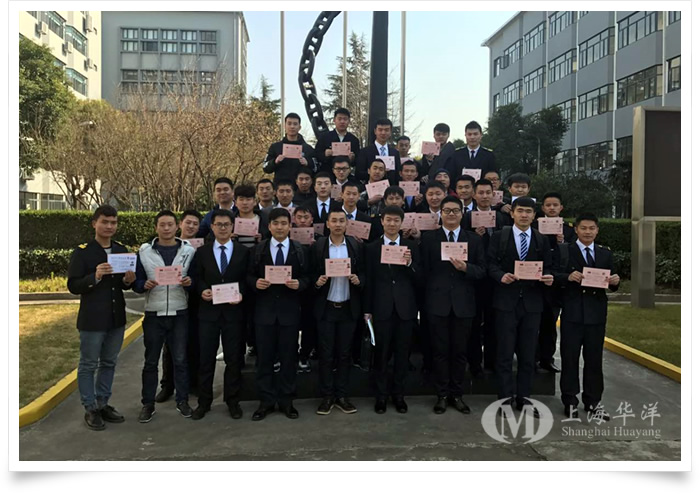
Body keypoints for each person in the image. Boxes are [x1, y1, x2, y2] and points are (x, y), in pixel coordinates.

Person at [67, 205, 135, 431]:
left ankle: (103, 402)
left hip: (116, 317)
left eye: (113, 222)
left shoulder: (121, 250)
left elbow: (123, 285)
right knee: (88, 364)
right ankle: (90, 407)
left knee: (109, 362)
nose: (109, 226)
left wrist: (127, 280)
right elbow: (73, 285)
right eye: (105, 222)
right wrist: (94, 276)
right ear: (94, 223)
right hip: (93, 318)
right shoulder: (83, 252)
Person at [487, 197, 554, 419]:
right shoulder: (500, 237)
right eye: (520, 211)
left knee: (528, 355)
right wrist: (500, 276)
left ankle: (524, 398)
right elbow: (490, 264)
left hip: (532, 304)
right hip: (506, 302)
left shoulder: (541, 239)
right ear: (512, 213)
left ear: (534, 215)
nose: (524, 215)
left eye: (528, 211)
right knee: (504, 353)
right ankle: (505, 399)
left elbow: (548, 266)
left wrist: (548, 277)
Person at [420, 196, 486, 414]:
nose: (451, 214)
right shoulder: (429, 239)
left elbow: (482, 271)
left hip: (463, 304)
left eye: (455, 211)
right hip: (437, 303)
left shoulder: (473, 240)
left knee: (459, 352)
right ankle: (441, 395)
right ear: (440, 214)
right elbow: (424, 271)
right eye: (447, 211)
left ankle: (457, 394)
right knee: (439, 352)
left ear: (462, 213)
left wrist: (466, 268)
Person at [554, 212, 620, 420]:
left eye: (592, 228)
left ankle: (593, 401)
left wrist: (615, 282)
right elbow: (553, 275)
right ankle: (570, 400)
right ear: (576, 230)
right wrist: (568, 276)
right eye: (583, 228)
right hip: (573, 313)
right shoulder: (566, 250)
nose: (588, 232)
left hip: (596, 314)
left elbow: (612, 279)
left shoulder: (604, 253)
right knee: (570, 357)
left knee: (594, 359)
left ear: (597, 230)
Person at [132, 210, 196, 423]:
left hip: (179, 312)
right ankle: (147, 404)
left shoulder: (189, 250)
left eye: (170, 224)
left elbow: (196, 278)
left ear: (177, 226)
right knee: (151, 361)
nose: (166, 228)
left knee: (180, 360)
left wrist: (190, 283)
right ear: (156, 228)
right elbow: (136, 283)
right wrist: (143, 284)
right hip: (154, 313)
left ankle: (182, 401)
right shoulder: (144, 252)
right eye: (162, 225)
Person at [247, 208, 310, 420]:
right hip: (264, 313)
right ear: (269, 226)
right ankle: (265, 401)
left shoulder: (299, 250)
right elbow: (248, 276)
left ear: (290, 226)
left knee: (288, 358)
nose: (280, 227)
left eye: (284, 223)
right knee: (264, 359)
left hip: (289, 313)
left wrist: (299, 284)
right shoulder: (258, 250)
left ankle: (286, 401)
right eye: (276, 223)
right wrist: (255, 283)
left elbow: (308, 277)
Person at [190, 209, 249, 420]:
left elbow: (248, 277)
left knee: (234, 359)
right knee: (206, 359)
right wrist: (202, 290)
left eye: (226, 224)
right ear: (212, 227)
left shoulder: (243, 251)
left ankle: (233, 401)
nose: (223, 228)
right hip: (209, 313)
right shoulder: (202, 252)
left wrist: (241, 293)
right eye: (218, 225)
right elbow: (197, 277)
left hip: (234, 313)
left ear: (233, 227)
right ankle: (204, 402)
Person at [363, 206, 422, 414]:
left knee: (402, 355)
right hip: (381, 308)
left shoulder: (411, 246)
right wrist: (368, 310)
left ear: (401, 223)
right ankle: (381, 396)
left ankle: (399, 395)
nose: (392, 224)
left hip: (405, 308)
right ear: (382, 221)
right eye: (388, 219)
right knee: (381, 355)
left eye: (396, 220)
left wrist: (410, 263)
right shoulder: (371, 248)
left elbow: (420, 278)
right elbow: (369, 281)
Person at [310, 210, 365, 415]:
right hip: (326, 308)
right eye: (334, 221)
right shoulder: (319, 246)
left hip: (348, 308)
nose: (338, 224)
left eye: (342, 220)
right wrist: (317, 282)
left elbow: (364, 272)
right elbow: (309, 273)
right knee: (326, 355)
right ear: (327, 223)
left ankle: (342, 395)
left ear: (347, 223)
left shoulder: (355, 246)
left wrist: (359, 280)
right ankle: (327, 396)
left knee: (344, 354)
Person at [155, 209, 203, 402]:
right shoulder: (167, 245)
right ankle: (168, 385)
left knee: (194, 343)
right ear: (180, 224)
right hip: (171, 299)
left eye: (195, 224)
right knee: (170, 345)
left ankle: (193, 383)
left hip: (195, 301)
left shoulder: (202, 247)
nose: (191, 226)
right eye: (188, 222)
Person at [462, 179, 508, 377]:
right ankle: (474, 363)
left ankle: (491, 361)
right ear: (474, 195)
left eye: (488, 192)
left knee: (493, 321)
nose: (484, 196)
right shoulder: (467, 217)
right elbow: (461, 243)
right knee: (473, 322)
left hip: (495, 278)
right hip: (474, 276)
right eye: (480, 193)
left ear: (493, 194)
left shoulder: (501, 218)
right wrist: (474, 235)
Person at [535, 192, 576, 374]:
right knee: (532, 323)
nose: (552, 208)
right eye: (548, 205)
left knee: (550, 322)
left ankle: (547, 358)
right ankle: (530, 357)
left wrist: (562, 241)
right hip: (536, 279)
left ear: (561, 208)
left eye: (555, 205)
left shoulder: (568, 230)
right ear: (542, 208)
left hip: (556, 283)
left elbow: (573, 252)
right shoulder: (534, 226)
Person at [263, 112, 317, 183]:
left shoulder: (308, 149)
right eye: (289, 123)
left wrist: (308, 163)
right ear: (284, 126)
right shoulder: (275, 147)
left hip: (301, 187)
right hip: (281, 187)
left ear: (299, 127)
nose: (292, 127)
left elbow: (317, 168)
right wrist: (275, 161)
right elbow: (265, 167)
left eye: (295, 124)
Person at [445, 121, 497, 186]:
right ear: (465, 135)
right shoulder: (456, 155)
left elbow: (493, 175)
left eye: (475, 134)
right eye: (469, 134)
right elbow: (452, 176)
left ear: (481, 135)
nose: (472, 137)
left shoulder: (489, 155)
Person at [314, 108, 361, 173]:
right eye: (339, 119)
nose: (342, 122)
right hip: (328, 173)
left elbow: (358, 160)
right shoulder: (324, 137)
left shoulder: (354, 140)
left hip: (345, 174)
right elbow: (316, 155)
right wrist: (324, 154)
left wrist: (352, 159)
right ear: (334, 120)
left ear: (349, 121)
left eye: (345, 119)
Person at [355, 118, 401, 183]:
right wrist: (376, 173)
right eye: (380, 130)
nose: (383, 133)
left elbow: (397, 174)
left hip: (390, 187)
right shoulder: (364, 152)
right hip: (371, 187)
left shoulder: (395, 153)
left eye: (386, 130)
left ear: (390, 132)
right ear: (375, 131)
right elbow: (359, 173)